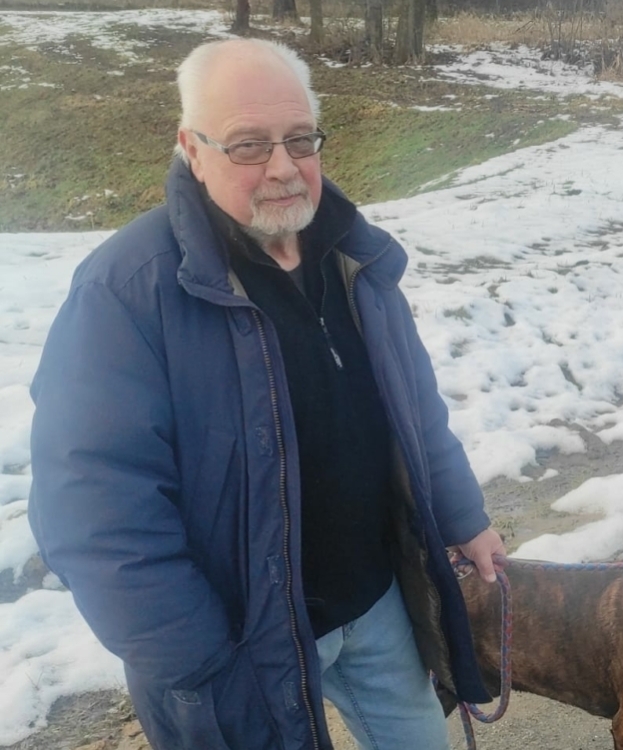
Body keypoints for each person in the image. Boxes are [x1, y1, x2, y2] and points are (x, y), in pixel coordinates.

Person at [28, 38, 505, 750]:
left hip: (375, 604)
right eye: (249, 146)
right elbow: (93, 510)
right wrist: (200, 662)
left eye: (298, 139)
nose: (283, 168)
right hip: (245, 641)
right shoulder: (127, 291)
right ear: (192, 148)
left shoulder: (351, 256)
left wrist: (462, 513)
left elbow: (413, 406)